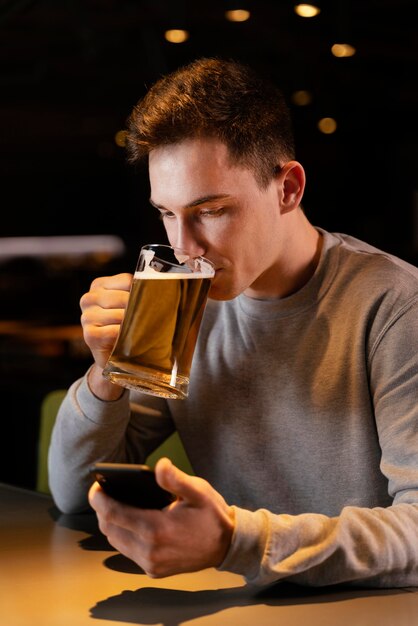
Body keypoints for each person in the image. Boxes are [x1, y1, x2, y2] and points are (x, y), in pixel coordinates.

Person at [48, 57, 418, 588]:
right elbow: (73, 493)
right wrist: (106, 373)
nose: (184, 248)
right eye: (167, 213)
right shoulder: (186, 306)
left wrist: (236, 542)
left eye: (211, 210)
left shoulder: (396, 307)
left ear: (288, 188)